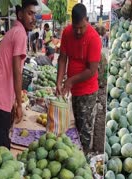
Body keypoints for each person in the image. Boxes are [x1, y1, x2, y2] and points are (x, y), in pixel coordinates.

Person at [0, 0, 38, 149]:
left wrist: (14, 100)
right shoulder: (20, 33)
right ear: (20, 14)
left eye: (35, 14)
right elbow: (17, 72)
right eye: (29, 13)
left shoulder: (15, 30)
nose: (34, 18)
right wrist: (19, 104)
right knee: (2, 147)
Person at [56, 3, 102, 153]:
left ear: (86, 20)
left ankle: (86, 162)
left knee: (85, 131)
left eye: (81, 27)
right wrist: (59, 81)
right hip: (74, 91)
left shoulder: (94, 38)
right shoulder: (67, 33)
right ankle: (77, 156)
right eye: (75, 27)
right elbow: (62, 59)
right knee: (75, 127)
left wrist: (70, 81)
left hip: (87, 91)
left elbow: (92, 70)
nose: (78, 31)